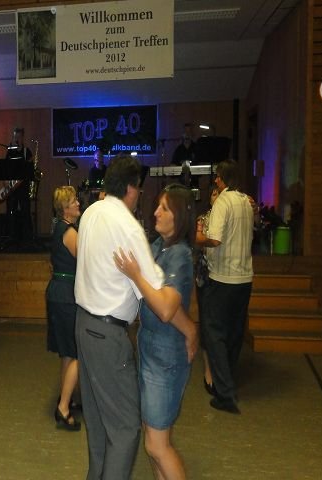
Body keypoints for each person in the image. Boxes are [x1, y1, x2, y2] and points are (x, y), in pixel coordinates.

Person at [75, 154, 164, 480]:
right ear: (130, 188)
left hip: (83, 325)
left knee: (99, 425)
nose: (139, 195)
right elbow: (155, 291)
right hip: (107, 336)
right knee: (125, 429)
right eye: (139, 188)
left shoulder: (91, 212)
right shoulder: (128, 226)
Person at [114, 184, 198, 480]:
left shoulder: (180, 255)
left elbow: (164, 308)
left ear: (180, 216)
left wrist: (136, 275)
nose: (156, 213)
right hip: (150, 347)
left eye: (165, 208)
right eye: (157, 206)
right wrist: (190, 328)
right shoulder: (159, 246)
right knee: (154, 440)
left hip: (166, 356)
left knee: (156, 445)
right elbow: (165, 304)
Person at [195, 159, 254, 414]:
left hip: (223, 278)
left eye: (217, 176)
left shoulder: (222, 202)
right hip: (245, 278)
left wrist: (197, 238)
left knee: (214, 334)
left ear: (222, 178)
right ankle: (228, 382)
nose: (215, 180)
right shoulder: (246, 202)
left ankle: (225, 393)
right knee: (234, 334)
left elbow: (215, 239)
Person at [46, 186, 81, 431]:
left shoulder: (60, 228)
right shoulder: (69, 232)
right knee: (78, 352)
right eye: (74, 201)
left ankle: (65, 397)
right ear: (65, 208)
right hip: (66, 294)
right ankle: (64, 408)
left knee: (67, 353)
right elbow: (87, 260)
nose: (78, 203)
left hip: (59, 292)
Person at [196, 184, 220, 395]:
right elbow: (198, 241)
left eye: (218, 193)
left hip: (225, 276)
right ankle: (208, 371)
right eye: (213, 193)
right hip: (206, 275)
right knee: (206, 324)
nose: (216, 196)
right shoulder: (203, 218)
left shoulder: (230, 216)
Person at [5, 127, 34, 247]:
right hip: (12, 188)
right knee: (11, 211)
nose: (17, 139)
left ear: (22, 137)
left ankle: (27, 238)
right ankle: (12, 237)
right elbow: (5, 168)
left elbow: (30, 170)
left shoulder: (27, 152)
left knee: (25, 211)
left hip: (23, 187)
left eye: (19, 137)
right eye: (15, 137)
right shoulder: (10, 152)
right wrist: (6, 182)